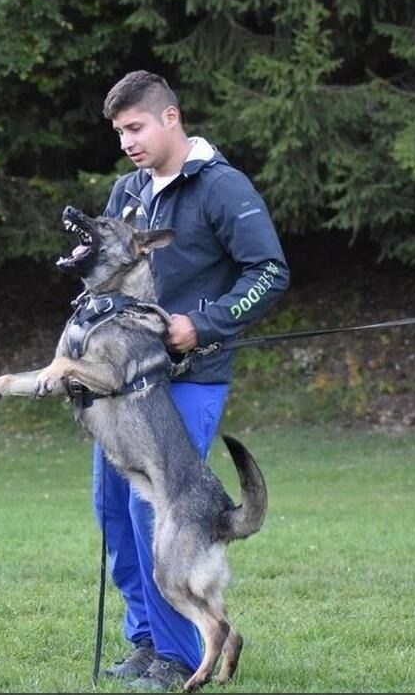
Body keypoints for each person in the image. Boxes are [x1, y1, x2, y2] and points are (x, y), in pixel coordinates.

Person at [94, 70, 289, 690]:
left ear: (170, 117)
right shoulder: (127, 190)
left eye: (136, 127)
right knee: (113, 510)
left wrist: (202, 324)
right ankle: (147, 642)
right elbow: (104, 270)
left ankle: (180, 655)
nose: (127, 141)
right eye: (120, 131)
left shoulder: (222, 188)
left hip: (190, 377)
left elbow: (269, 271)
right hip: (120, 385)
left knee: (163, 516)